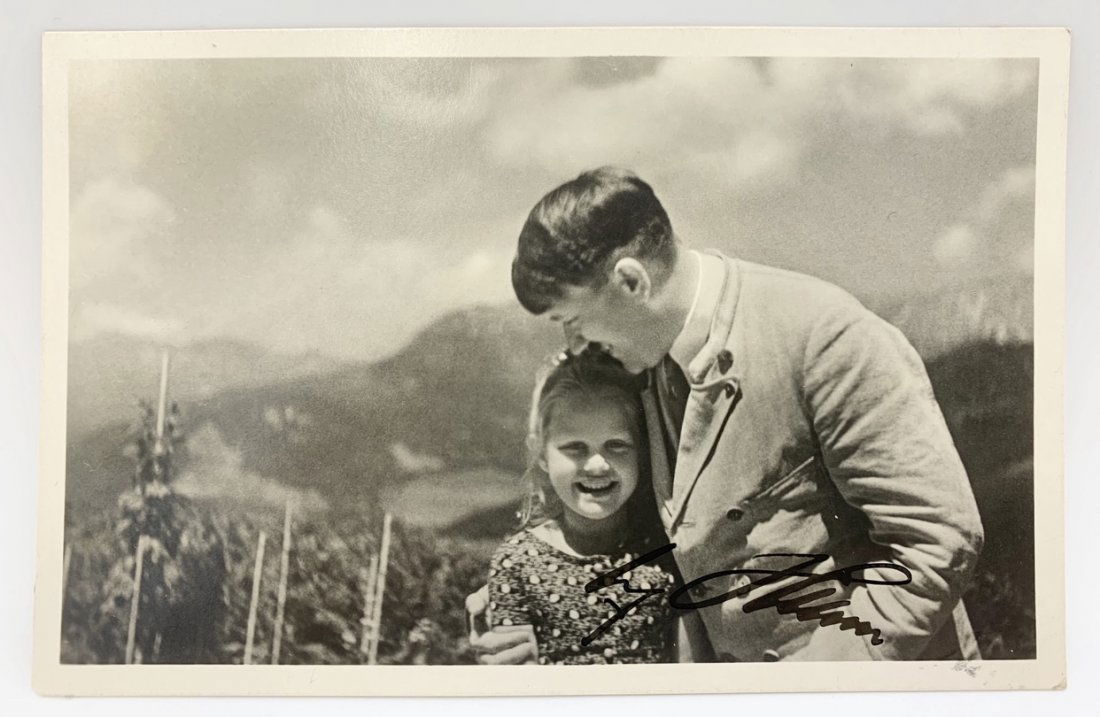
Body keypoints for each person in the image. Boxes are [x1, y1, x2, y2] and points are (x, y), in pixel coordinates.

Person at [469, 166, 984, 663]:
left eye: (573, 319)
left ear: (631, 282)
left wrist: (814, 688)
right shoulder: (637, 356)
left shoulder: (824, 336)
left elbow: (937, 539)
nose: (574, 344)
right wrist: (532, 588)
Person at [476, 349, 679, 664]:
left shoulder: (668, 553)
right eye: (574, 447)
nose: (597, 465)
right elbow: (517, 683)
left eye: (617, 445)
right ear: (541, 454)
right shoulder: (516, 563)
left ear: (641, 452)